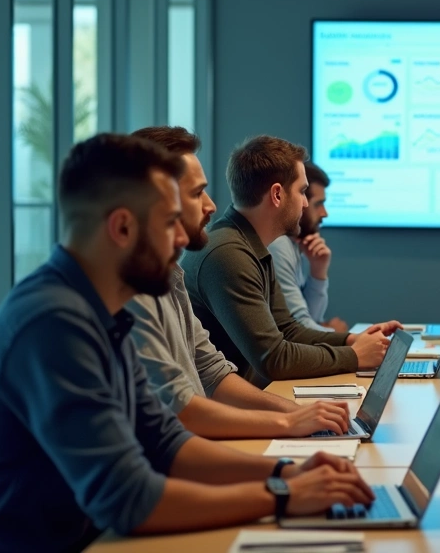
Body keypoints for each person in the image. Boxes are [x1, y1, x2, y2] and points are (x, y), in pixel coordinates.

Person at [0, 134, 373, 552]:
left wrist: (287, 472)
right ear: (122, 228)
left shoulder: (104, 310)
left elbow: (164, 441)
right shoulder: (53, 323)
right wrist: (282, 494)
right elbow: (128, 499)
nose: (184, 238)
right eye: (168, 223)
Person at [126, 126, 351, 438]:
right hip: (193, 447)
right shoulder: (223, 253)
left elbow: (213, 373)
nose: (211, 205)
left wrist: (298, 414)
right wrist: (288, 423)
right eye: (195, 194)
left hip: (203, 438)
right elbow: (183, 410)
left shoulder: (167, 278)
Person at [181, 135, 398, 385]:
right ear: (277, 194)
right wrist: (354, 356)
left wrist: (353, 340)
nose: (306, 203)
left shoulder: (251, 244)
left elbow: (289, 330)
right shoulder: (229, 253)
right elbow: (273, 358)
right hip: (227, 413)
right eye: (302, 191)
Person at [269, 161, 348, 333]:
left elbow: (311, 317)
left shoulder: (292, 244)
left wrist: (318, 271)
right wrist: (345, 338)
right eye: (318, 204)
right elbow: (298, 329)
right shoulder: (278, 244)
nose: (324, 213)